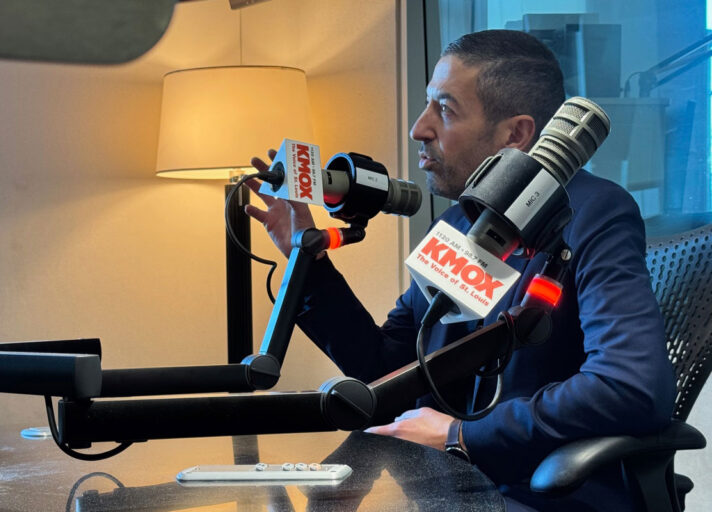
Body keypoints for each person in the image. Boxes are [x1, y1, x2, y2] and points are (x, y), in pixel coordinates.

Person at [245, 30, 676, 511]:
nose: (419, 129)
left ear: (516, 134)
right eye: (427, 104)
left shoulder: (594, 212)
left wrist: (462, 435)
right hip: (445, 490)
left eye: (445, 110)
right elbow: (388, 373)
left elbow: (631, 387)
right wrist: (306, 257)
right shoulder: (457, 224)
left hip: (538, 497)